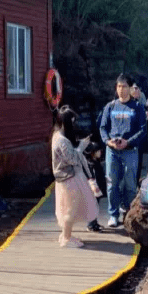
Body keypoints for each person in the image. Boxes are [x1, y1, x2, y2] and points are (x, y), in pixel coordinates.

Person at [98, 74, 147, 227]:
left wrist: (128, 142)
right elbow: (102, 127)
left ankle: (129, 214)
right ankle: (113, 214)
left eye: (124, 86)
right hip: (112, 150)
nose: (121, 90)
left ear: (131, 88)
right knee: (112, 183)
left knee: (130, 184)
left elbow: (143, 130)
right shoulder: (110, 106)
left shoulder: (137, 107)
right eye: (119, 86)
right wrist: (108, 141)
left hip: (130, 150)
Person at [52, 106, 100, 247]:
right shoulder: (62, 140)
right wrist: (82, 146)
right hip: (69, 178)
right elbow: (72, 158)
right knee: (70, 209)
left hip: (64, 178)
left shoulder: (56, 136)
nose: (74, 125)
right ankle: (66, 239)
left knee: (67, 208)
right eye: (72, 122)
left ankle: (65, 234)